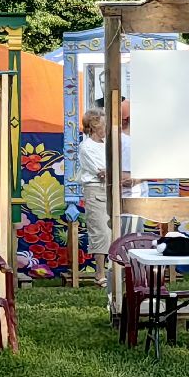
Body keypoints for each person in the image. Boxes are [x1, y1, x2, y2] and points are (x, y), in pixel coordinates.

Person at [78, 109, 110, 286]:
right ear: (94, 126)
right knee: (101, 231)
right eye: (103, 123)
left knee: (114, 232)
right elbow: (102, 172)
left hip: (112, 189)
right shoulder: (87, 147)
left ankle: (114, 270)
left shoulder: (108, 144)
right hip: (96, 190)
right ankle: (100, 273)